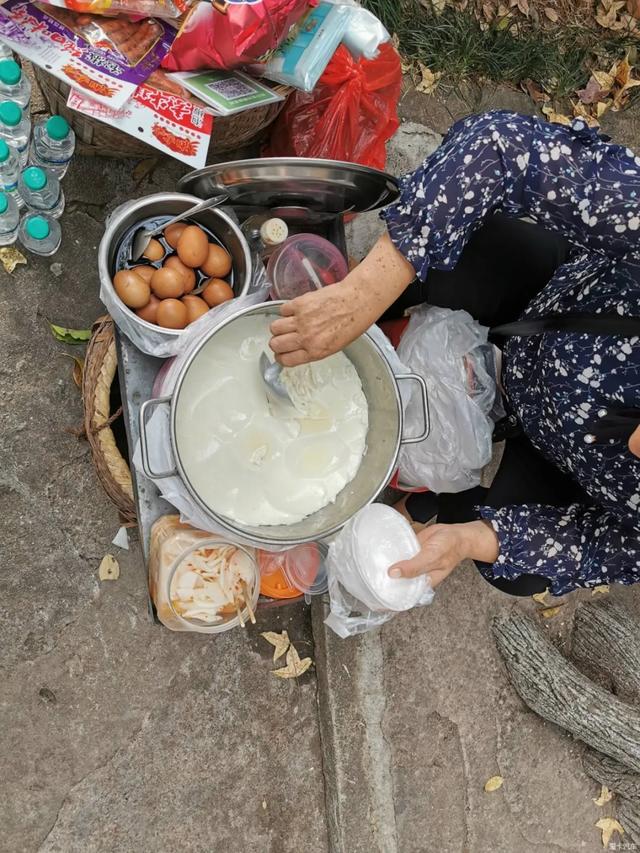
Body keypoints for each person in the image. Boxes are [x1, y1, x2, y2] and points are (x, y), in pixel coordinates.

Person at [269, 110, 640, 597]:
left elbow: (603, 546)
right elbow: (499, 146)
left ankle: (436, 498)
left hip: (555, 450)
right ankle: (342, 303)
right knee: (453, 257)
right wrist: (361, 298)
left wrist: (470, 539)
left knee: (516, 570)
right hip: (539, 307)